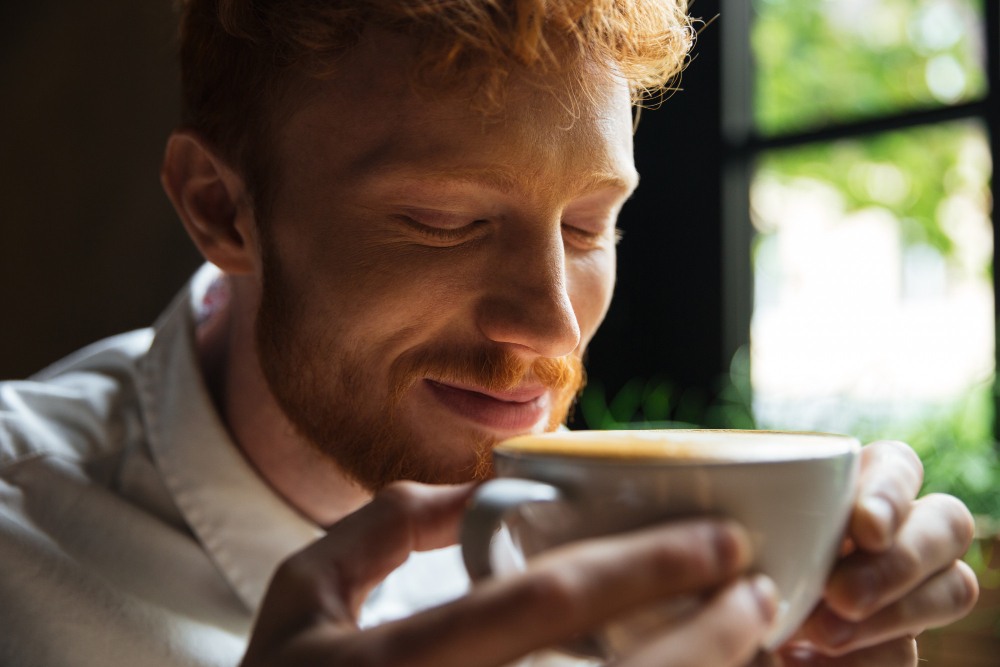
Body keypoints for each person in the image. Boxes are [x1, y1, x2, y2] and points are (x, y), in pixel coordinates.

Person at [0, 1, 979, 666]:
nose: (553, 327)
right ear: (221, 207)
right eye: (443, 222)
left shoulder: (619, 541)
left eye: (589, 225)